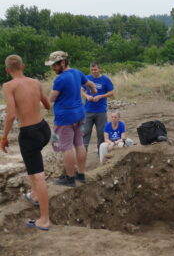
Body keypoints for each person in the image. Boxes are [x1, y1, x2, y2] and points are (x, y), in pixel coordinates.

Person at [1, 55, 52, 230]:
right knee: (32, 163)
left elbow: (11, 115)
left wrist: (4, 137)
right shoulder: (35, 82)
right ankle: (35, 195)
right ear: (23, 66)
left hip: (29, 133)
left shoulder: (8, 86)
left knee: (38, 175)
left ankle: (44, 219)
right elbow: (47, 105)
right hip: (44, 130)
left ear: (8, 70)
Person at [46, 51, 96, 187]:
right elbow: (90, 84)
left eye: (54, 65)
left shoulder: (60, 79)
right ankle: (81, 173)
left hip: (65, 118)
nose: (53, 68)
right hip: (80, 114)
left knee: (66, 147)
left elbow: (52, 99)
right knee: (79, 143)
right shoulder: (77, 72)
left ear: (63, 62)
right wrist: (93, 92)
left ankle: (69, 178)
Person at [81, 62, 114, 152]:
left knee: (101, 133)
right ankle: (83, 153)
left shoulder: (105, 80)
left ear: (99, 69)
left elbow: (111, 92)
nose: (93, 71)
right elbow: (82, 90)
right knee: (85, 132)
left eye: (95, 69)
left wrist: (100, 96)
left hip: (101, 111)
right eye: (91, 70)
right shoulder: (87, 78)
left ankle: (101, 152)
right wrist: (87, 96)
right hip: (88, 110)